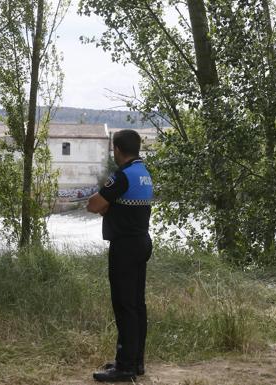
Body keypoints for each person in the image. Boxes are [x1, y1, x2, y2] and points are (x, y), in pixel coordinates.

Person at [87, 129, 153, 382]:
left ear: (117, 149)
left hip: (125, 246)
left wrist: (104, 206)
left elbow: (94, 204)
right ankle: (136, 362)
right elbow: (120, 206)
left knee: (124, 305)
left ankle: (124, 366)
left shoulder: (123, 176)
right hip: (141, 242)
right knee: (137, 304)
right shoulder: (144, 173)